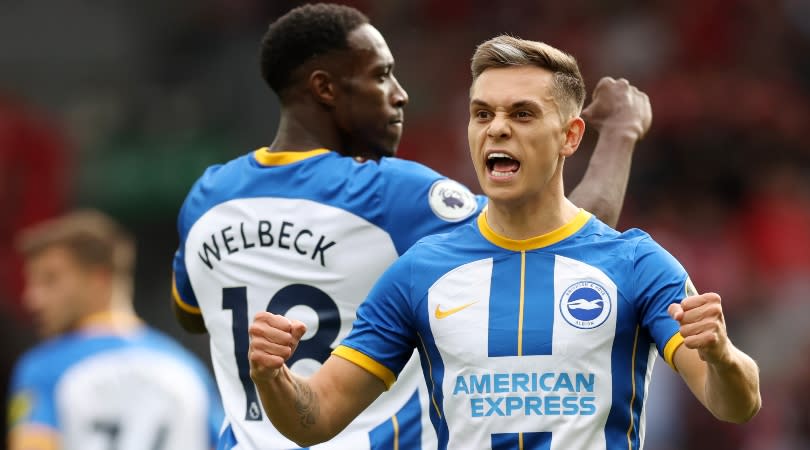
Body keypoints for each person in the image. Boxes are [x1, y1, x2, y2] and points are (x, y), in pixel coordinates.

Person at [171, 3, 651, 449]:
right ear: (325, 89)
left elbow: (192, 314)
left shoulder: (207, 197)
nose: (400, 95)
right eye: (381, 76)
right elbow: (561, 243)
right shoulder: (391, 196)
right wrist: (622, 132)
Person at [246, 35, 761, 450]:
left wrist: (719, 356)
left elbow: (736, 403)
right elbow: (314, 419)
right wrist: (273, 378)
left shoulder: (636, 264)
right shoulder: (419, 273)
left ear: (571, 136)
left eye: (522, 114)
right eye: (482, 113)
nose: (496, 129)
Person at [7, 210, 223, 450]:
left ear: (100, 278)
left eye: (50, 280)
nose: (32, 299)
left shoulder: (45, 367)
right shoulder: (188, 371)